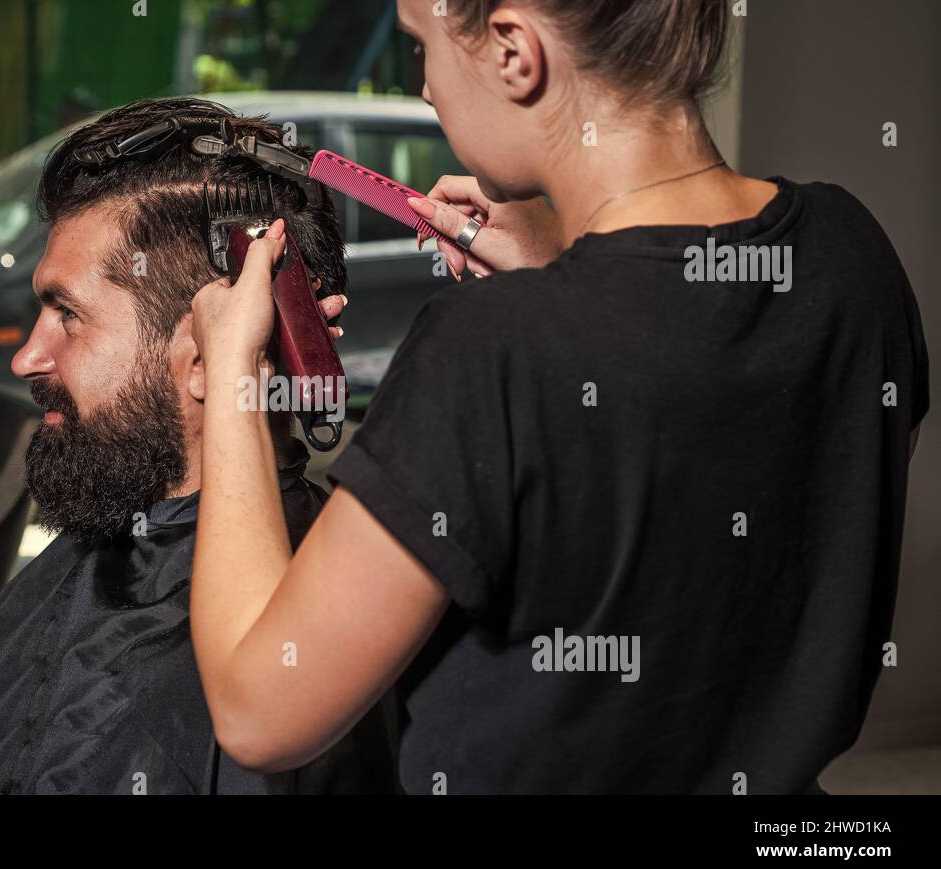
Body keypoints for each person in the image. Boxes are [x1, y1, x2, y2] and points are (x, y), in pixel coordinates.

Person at [187, 0, 929, 794]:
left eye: (422, 47)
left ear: (514, 51)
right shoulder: (853, 253)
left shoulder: (484, 350)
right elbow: (717, 472)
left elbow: (259, 710)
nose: (428, 89)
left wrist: (233, 370)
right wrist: (566, 272)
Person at [0, 97, 397, 795]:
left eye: (68, 314)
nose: (28, 357)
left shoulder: (298, 658)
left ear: (212, 346)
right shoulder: (118, 543)